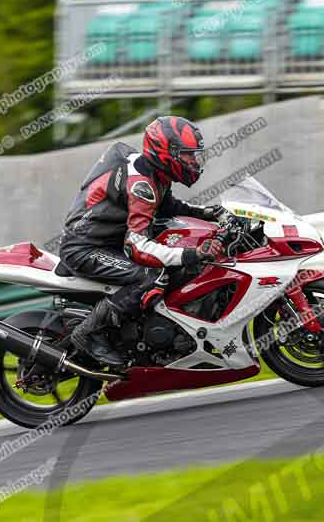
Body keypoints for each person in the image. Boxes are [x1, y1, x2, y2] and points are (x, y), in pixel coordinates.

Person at [57, 116, 227, 367]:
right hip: (85, 249)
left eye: (195, 155)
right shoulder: (141, 185)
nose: (193, 161)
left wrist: (206, 213)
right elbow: (136, 246)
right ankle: (88, 333)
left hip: (107, 242)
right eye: (187, 155)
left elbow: (167, 205)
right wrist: (193, 253)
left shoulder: (155, 172)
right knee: (151, 276)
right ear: (165, 153)